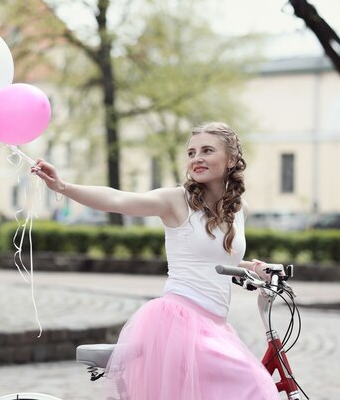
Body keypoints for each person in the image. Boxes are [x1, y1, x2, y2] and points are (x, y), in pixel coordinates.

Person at [31, 121, 279, 400]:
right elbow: (118, 200)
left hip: (216, 325)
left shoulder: (239, 209)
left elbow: (217, 257)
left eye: (207, 150)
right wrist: (63, 186)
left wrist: (253, 267)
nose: (196, 158)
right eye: (191, 152)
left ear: (231, 159)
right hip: (181, 322)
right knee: (255, 384)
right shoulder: (176, 200)